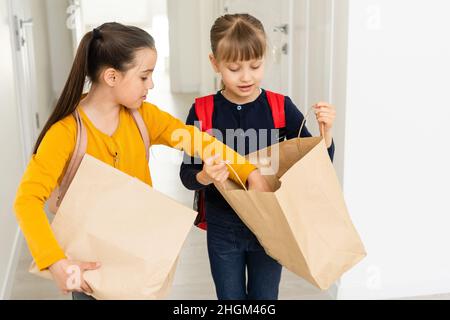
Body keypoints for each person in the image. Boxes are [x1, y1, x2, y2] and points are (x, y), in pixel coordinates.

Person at [13, 22, 270, 300]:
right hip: (91, 262)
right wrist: (55, 261)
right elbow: (27, 201)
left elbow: (199, 141)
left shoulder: (143, 116)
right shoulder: (65, 133)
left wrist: (249, 172)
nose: (152, 84)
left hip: (138, 251)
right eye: (144, 76)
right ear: (112, 77)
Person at [180, 14, 336, 300]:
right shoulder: (202, 112)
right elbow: (187, 175)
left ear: (267, 58)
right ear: (215, 63)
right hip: (223, 228)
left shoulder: (281, 107)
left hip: (270, 225)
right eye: (234, 68)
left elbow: (315, 167)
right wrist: (203, 176)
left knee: (265, 298)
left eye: (255, 65)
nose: (246, 77)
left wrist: (325, 137)